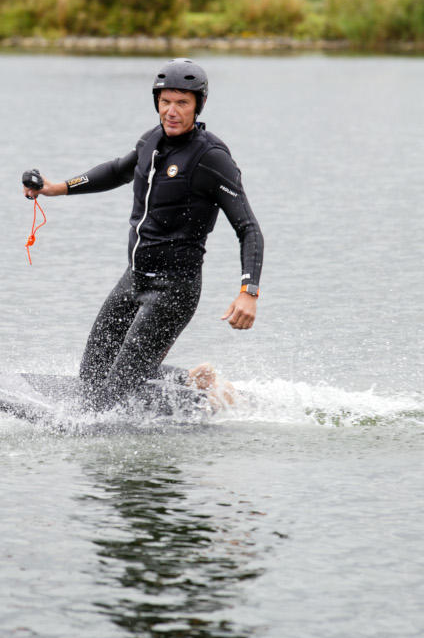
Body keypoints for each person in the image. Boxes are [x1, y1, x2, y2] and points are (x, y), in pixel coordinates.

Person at [22, 58, 264, 410]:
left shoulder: (211, 157)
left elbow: (249, 228)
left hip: (174, 290)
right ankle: (190, 381)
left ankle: (209, 398)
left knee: (113, 399)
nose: (172, 111)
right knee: (91, 380)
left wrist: (249, 292)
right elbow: (116, 171)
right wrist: (57, 188)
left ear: (198, 105)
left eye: (182, 102)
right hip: (133, 280)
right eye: (165, 101)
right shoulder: (150, 142)